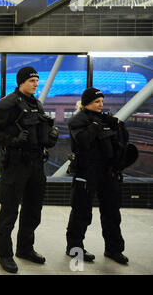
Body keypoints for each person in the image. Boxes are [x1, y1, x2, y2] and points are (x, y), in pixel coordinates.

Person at [0, 66, 58, 273]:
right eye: (31, 81)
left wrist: (49, 137)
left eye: (37, 80)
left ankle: (25, 248)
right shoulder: (8, 104)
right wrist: (13, 140)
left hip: (36, 164)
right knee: (9, 212)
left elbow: (40, 130)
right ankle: (5, 254)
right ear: (21, 82)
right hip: (15, 165)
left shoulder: (37, 104)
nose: (36, 84)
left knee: (33, 210)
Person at [65, 87, 133, 265]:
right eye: (97, 102)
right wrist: (95, 127)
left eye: (102, 101)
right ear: (87, 102)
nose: (100, 105)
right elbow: (83, 142)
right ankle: (74, 248)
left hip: (107, 171)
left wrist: (118, 125)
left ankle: (114, 249)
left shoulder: (106, 119)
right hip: (86, 171)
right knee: (81, 211)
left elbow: (121, 141)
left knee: (112, 211)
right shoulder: (77, 120)